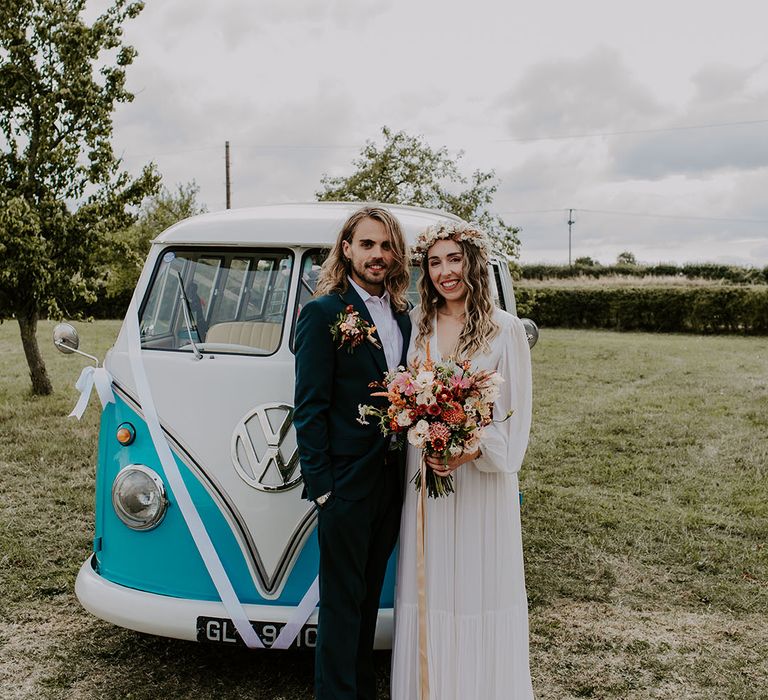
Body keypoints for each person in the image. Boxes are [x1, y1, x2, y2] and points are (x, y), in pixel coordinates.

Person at [390, 222, 534, 700]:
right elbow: (406, 389)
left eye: (454, 260)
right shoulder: (419, 324)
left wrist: (471, 448)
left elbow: (515, 418)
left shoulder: (505, 329)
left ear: (472, 264)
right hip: (427, 474)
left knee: (477, 584)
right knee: (432, 584)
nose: (445, 272)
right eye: (434, 262)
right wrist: (421, 427)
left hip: (479, 482)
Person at [293, 205, 412, 700]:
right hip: (343, 485)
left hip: (391, 477)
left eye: (386, 246)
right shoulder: (323, 314)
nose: (377, 255)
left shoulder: (403, 317)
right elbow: (309, 408)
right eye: (367, 244)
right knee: (341, 603)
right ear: (347, 249)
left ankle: (361, 689)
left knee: (366, 597)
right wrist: (322, 490)